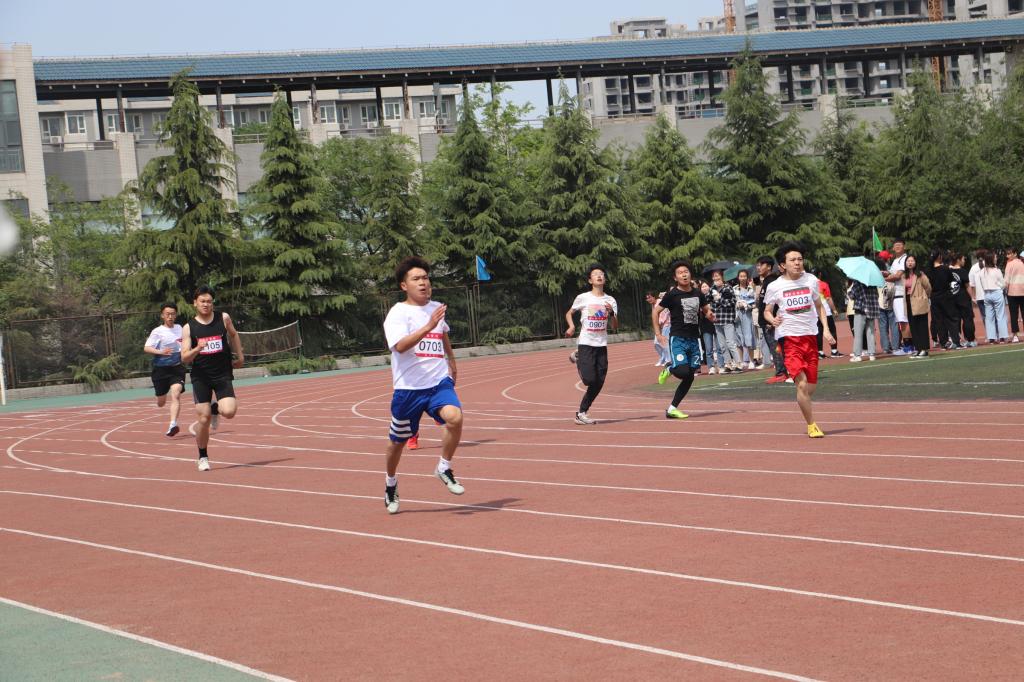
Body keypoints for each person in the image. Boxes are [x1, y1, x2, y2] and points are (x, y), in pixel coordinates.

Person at [382, 256, 465, 515]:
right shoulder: (397, 313)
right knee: (397, 442)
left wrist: (452, 361)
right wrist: (428, 325)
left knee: (455, 417)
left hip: (437, 382)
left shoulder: (437, 307)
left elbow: (443, 333)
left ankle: (444, 467)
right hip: (408, 389)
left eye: (426, 278)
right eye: (416, 279)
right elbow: (400, 346)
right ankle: (390, 483)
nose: (423, 283)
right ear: (404, 285)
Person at [763, 242, 834, 438]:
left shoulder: (811, 280)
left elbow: (819, 306)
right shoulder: (775, 286)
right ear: (782, 265)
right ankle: (812, 425)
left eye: (800, 259)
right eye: (792, 260)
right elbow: (767, 311)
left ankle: (802, 401)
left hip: (810, 337)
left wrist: (826, 330)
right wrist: (772, 319)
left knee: (810, 387)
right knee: (801, 384)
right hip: (789, 339)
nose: (797, 263)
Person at [180, 286, 244, 472]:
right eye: (202, 301)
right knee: (203, 418)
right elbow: (184, 358)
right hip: (201, 377)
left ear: (212, 303)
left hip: (222, 374)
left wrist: (240, 356)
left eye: (209, 301)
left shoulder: (223, 318)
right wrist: (197, 348)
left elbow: (234, 334)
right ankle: (203, 456)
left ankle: (216, 408)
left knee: (229, 412)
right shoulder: (188, 328)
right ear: (195, 303)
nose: (206, 304)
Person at [653, 260, 714, 419]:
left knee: (690, 375)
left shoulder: (698, 293)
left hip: (694, 339)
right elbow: (655, 311)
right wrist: (658, 334)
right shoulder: (672, 295)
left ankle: (672, 408)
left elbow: (706, 310)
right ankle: (669, 369)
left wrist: (710, 315)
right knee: (682, 371)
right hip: (678, 339)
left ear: (690, 274)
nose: (684, 275)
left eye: (686, 272)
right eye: (680, 273)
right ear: (676, 277)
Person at [565, 264, 618, 425]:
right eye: (595, 274)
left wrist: (611, 313)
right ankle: (578, 357)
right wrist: (571, 326)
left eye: (601, 274)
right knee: (589, 380)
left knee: (599, 382)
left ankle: (581, 413)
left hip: (601, 344)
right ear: (590, 280)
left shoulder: (610, 300)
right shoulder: (583, 297)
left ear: (605, 279)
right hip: (586, 342)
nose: (599, 276)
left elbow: (615, 326)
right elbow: (569, 313)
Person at [143, 303, 187, 437]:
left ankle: (173, 424)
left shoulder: (180, 328)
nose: (170, 316)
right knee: (161, 403)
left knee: (176, 394)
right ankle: (160, 398)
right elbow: (146, 348)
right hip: (160, 371)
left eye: (173, 314)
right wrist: (161, 352)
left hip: (177, 369)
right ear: (162, 315)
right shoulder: (157, 331)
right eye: (167, 314)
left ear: (176, 315)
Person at [755, 257, 788, 384]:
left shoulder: (772, 281)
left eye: (761, 265)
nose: (758, 268)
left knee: (776, 348)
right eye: (757, 265)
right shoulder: (766, 281)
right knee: (775, 347)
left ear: (769, 267)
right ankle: (782, 372)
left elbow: (775, 303)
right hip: (767, 321)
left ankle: (781, 373)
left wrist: (771, 320)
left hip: (771, 322)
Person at [709, 270, 742, 373]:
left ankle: (738, 364)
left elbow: (731, 302)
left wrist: (719, 299)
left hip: (727, 319)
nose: (716, 278)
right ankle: (728, 364)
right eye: (714, 276)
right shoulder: (712, 289)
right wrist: (713, 298)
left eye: (717, 276)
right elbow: (708, 301)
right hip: (717, 320)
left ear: (722, 277)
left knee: (730, 343)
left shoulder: (728, 288)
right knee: (722, 345)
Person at [883, 238, 912, 352]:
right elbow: (892, 274)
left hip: (901, 293)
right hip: (896, 294)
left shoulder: (904, 259)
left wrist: (883, 278)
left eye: (900, 245)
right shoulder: (895, 260)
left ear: (904, 246)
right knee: (902, 321)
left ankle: (908, 346)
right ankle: (909, 345)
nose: (897, 247)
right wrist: (885, 273)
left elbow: (897, 276)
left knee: (904, 321)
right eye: (896, 245)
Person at [905, 255, 933, 357]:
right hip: (908, 302)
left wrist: (924, 297)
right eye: (908, 261)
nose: (910, 263)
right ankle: (918, 348)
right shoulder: (904, 275)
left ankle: (924, 349)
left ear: (915, 262)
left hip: (919, 302)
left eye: (912, 261)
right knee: (913, 327)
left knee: (922, 326)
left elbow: (928, 287)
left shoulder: (920, 274)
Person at [979, 251, 1009, 344]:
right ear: (991, 259)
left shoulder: (982, 272)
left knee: (989, 317)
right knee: (1000, 316)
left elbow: (982, 284)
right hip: (996, 293)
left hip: (987, 294)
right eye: (995, 257)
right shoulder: (997, 271)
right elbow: (1003, 284)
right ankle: (1002, 337)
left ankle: (991, 338)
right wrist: (1000, 286)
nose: (996, 258)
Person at [949, 252, 977, 347]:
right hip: (963, 299)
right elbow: (967, 286)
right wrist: (972, 297)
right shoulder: (962, 271)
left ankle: (956, 341)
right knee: (968, 319)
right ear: (958, 260)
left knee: (954, 320)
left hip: (952, 299)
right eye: (963, 259)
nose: (964, 261)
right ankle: (970, 340)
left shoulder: (948, 271)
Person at [848, 278, 879, 361]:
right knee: (871, 333)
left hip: (860, 309)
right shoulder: (873, 282)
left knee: (858, 333)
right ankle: (872, 354)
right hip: (872, 310)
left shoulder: (857, 281)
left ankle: (857, 355)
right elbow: (877, 295)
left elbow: (852, 295)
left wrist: (849, 291)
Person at [813, 270, 841, 359]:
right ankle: (834, 351)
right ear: (820, 274)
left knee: (818, 332)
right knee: (832, 330)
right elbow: (828, 299)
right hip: (825, 312)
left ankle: (820, 352)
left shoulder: (809, 285)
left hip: (814, 313)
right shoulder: (823, 284)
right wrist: (834, 310)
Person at [733, 270, 758, 369]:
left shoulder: (750, 289)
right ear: (738, 277)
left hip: (747, 315)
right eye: (741, 276)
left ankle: (751, 361)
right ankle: (741, 361)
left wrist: (747, 305)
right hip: (737, 315)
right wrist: (737, 305)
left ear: (747, 277)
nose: (742, 278)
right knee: (738, 338)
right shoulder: (734, 289)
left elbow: (754, 303)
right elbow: (732, 301)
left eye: (744, 276)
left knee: (749, 336)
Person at [1004, 247, 1024, 343]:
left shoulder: (1009, 264)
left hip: (1012, 292)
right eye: (1007, 254)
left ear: (1015, 254)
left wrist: (1004, 288)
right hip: (1023, 291)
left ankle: (1015, 335)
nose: (1007, 256)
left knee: (1013, 314)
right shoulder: (1022, 263)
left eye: (1009, 253)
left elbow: (1006, 279)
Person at [968, 248, 988, 340]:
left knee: (984, 316)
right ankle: (996, 333)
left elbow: (972, 284)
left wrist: (973, 296)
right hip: (990, 293)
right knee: (994, 315)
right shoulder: (990, 265)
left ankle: (988, 335)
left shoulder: (973, 268)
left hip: (980, 296)